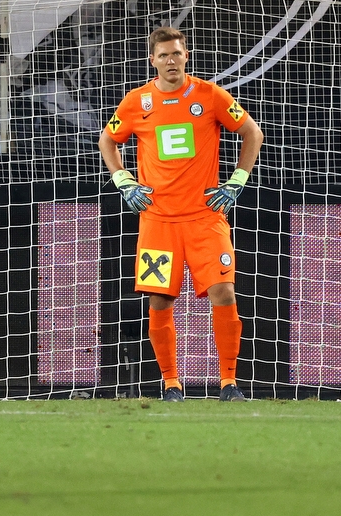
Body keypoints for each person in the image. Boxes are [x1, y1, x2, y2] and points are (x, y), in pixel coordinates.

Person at [98, 26, 263, 403]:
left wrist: (237, 180)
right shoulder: (136, 102)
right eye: (163, 55)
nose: (170, 61)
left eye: (176, 54)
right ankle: (171, 384)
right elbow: (108, 139)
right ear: (152, 60)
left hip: (206, 217)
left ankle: (229, 382)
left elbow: (252, 132)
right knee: (159, 300)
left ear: (186, 56)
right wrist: (122, 179)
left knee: (224, 291)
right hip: (157, 221)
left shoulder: (210, 95)